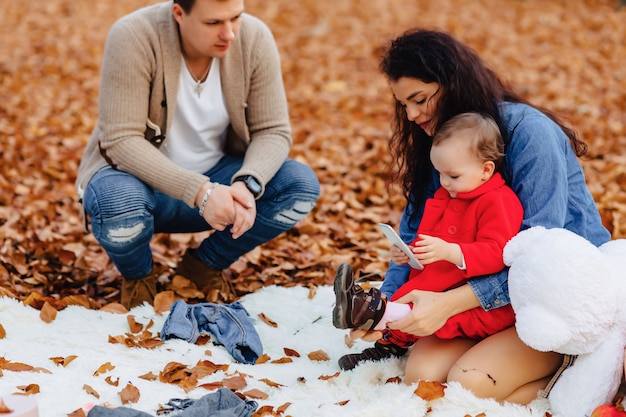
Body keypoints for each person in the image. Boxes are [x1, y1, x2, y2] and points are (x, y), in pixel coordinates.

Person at [336, 28, 611, 405]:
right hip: (483, 300)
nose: (412, 114)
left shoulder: (530, 134)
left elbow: (538, 262)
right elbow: (412, 234)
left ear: (453, 84)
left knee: (469, 383)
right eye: (404, 104)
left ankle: (578, 375)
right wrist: (385, 311)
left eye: (419, 99)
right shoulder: (443, 148)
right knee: (422, 377)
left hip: (552, 300)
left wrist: (447, 304)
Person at [75, 0, 320, 309]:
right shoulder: (134, 35)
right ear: (179, 13)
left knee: (298, 186)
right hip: (140, 185)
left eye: (236, 18)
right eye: (213, 23)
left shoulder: (254, 38)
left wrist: (246, 184)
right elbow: (121, 140)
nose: (229, 33)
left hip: (221, 180)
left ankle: (203, 266)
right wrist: (201, 192)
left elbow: (273, 130)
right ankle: (138, 277)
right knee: (117, 203)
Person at [333, 112, 524, 371]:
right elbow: (430, 239)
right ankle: (379, 335)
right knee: (406, 300)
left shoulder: (498, 201)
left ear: (485, 169)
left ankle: (365, 311)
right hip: (435, 283)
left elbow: (499, 252)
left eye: (453, 176)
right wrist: (410, 253)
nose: (444, 182)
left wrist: (450, 251)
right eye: (440, 174)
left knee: (413, 309)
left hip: (472, 299)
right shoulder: (447, 195)